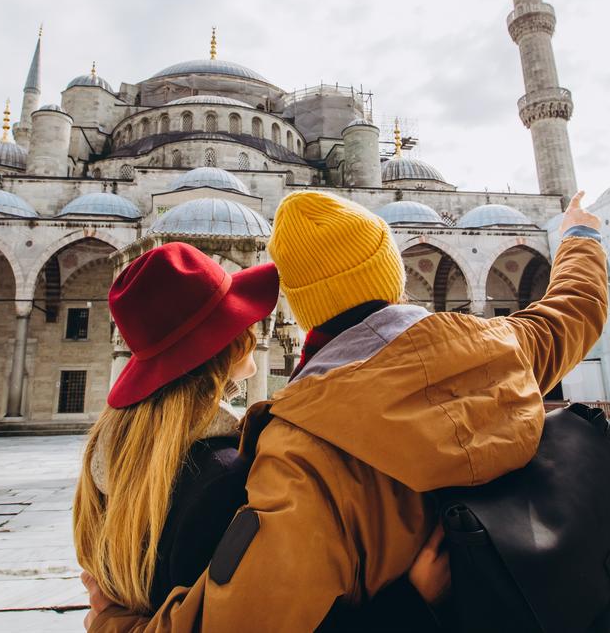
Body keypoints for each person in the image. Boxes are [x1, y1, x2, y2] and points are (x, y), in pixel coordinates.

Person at [87, 190, 607, 632]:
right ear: (392, 275)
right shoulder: (503, 347)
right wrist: (579, 237)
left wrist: (111, 618)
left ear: (303, 308)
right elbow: (575, 309)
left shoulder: (300, 450)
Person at [73, 242, 447, 632]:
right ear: (227, 342)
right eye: (242, 316)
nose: (254, 325)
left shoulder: (112, 460)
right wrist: (415, 599)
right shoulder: (225, 477)